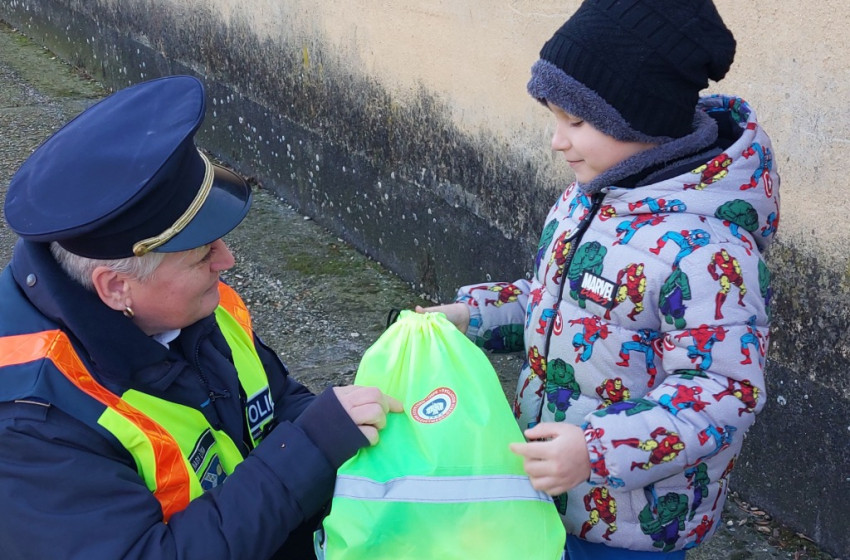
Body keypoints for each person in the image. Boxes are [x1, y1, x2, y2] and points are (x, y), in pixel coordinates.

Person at [418, 0, 779, 557]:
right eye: (554, 119)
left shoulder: (710, 252)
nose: (556, 141)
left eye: (576, 122)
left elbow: (722, 391)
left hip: (633, 527)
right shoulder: (590, 197)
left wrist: (594, 450)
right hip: (547, 492)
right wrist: (471, 318)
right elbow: (555, 302)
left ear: (641, 119)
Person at [0, 75, 401, 559]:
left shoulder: (186, 305)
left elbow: (272, 404)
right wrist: (310, 450)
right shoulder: (31, 422)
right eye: (202, 253)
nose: (227, 260)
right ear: (117, 287)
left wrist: (359, 419)